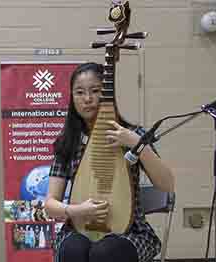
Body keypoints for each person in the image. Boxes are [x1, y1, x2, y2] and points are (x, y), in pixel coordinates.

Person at [44, 62, 175, 262]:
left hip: (131, 232)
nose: (87, 99)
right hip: (78, 228)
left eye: (95, 91)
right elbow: (50, 205)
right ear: (72, 98)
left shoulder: (132, 135)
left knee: (105, 253)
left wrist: (136, 143)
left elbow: (167, 184)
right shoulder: (68, 141)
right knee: (73, 250)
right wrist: (77, 211)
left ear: (106, 96)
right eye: (79, 93)